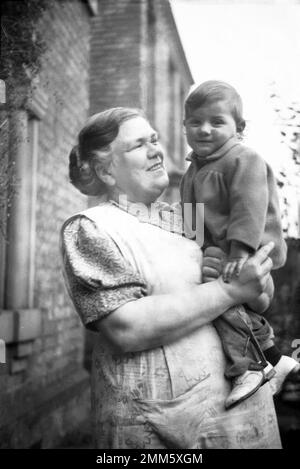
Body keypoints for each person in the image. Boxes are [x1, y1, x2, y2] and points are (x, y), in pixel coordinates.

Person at [61, 107, 281, 449]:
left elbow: (260, 297)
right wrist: (229, 290)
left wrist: (253, 280)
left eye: (154, 140)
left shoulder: (192, 217)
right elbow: (126, 328)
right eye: (138, 145)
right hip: (163, 429)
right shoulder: (92, 227)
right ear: (106, 170)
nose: (156, 150)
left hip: (248, 423)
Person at [180, 80, 300, 409]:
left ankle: (249, 366)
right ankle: (276, 359)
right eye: (195, 122)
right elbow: (191, 216)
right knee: (222, 303)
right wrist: (192, 248)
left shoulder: (242, 159)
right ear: (185, 125)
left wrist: (241, 250)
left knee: (219, 298)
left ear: (239, 128)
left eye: (217, 122)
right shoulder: (193, 170)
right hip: (220, 249)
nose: (204, 129)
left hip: (252, 248)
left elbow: (249, 206)